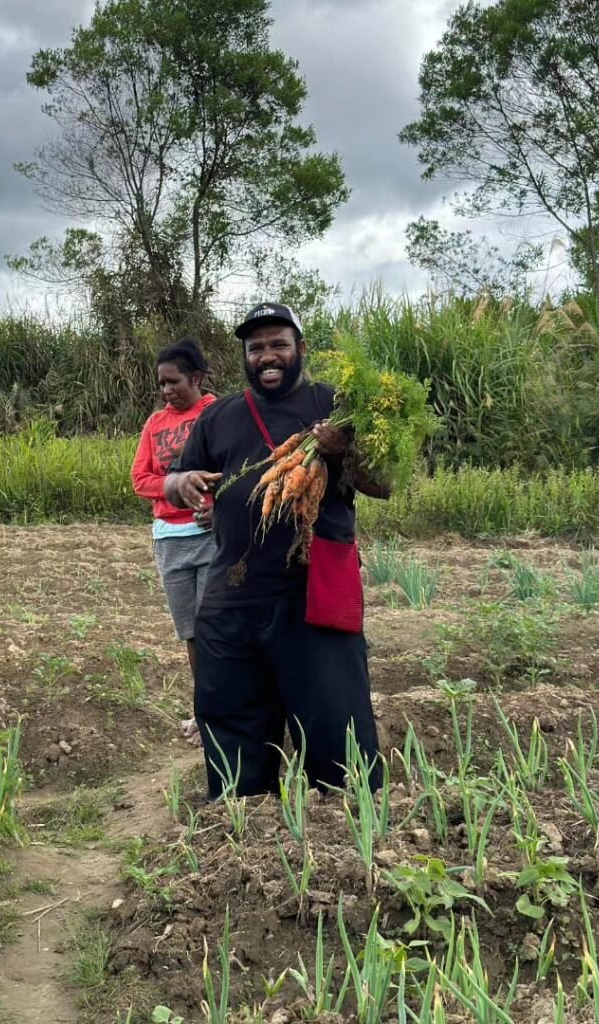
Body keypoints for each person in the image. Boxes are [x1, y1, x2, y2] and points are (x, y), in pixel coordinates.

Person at [163, 303, 386, 798]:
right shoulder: (220, 416)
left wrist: (340, 452)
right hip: (235, 593)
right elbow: (176, 476)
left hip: (313, 596)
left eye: (278, 344)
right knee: (229, 712)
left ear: (300, 350)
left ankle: (348, 819)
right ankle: (241, 817)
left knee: (336, 720)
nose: (267, 355)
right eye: (256, 347)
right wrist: (184, 483)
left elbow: (383, 484)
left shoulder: (338, 406)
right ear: (244, 355)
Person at [131, 338, 216, 747]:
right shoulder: (154, 424)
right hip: (171, 541)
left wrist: (218, 505)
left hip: (213, 537)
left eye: (174, 381)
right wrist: (173, 484)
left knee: (216, 627)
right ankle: (205, 712)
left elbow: (237, 468)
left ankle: (227, 710)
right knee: (191, 634)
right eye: (162, 384)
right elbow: (140, 479)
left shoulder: (217, 413)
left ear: (197, 378)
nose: (167, 391)